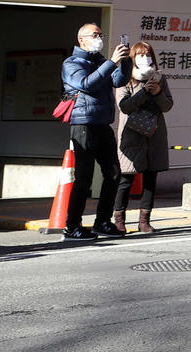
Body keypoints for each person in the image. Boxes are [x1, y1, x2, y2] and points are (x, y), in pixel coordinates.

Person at [60, 23, 131, 241]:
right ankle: (72, 226)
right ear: (82, 39)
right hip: (83, 124)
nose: (99, 38)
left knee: (113, 173)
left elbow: (119, 80)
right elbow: (86, 84)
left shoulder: (99, 60)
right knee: (84, 178)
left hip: (103, 124)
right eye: (95, 34)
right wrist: (111, 62)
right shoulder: (71, 63)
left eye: (101, 34)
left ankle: (102, 221)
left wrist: (125, 61)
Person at [114, 41, 173, 234]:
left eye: (148, 54)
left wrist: (157, 92)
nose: (145, 58)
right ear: (133, 58)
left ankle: (144, 220)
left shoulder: (159, 78)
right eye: (140, 55)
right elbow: (124, 106)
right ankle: (119, 220)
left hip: (154, 134)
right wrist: (144, 91)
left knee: (150, 178)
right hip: (132, 135)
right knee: (126, 179)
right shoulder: (124, 77)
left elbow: (167, 106)